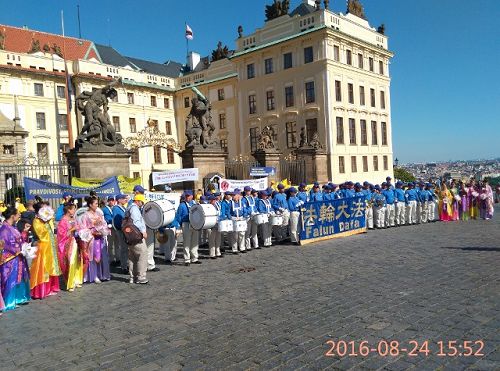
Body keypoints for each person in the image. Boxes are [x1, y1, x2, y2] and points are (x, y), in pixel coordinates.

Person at [0, 206, 31, 311]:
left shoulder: (12, 227)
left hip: (18, 257)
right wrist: (16, 250)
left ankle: (19, 298)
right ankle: (10, 301)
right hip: (11, 259)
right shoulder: (4, 229)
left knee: (20, 277)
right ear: (13, 216)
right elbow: (3, 245)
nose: (19, 216)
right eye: (18, 214)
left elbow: (19, 240)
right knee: (11, 279)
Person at [30, 203, 61, 299]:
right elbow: (41, 235)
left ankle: (52, 287)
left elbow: (52, 231)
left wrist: (48, 220)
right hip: (43, 247)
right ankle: (42, 290)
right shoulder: (36, 221)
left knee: (51, 266)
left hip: (50, 246)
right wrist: (45, 221)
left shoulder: (47, 220)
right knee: (43, 268)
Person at [79, 196, 111, 283]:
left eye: (97, 203)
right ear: (90, 205)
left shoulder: (99, 214)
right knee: (92, 257)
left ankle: (102, 274)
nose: (97, 205)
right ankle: (94, 275)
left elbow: (104, 224)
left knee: (101, 256)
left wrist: (104, 230)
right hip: (92, 239)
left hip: (100, 237)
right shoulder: (85, 216)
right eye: (95, 203)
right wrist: (91, 232)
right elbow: (82, 228)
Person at [56, 203, 83, 292]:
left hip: (75, 242)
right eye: (73, 209)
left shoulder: (73, 219)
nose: (74, 211)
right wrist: (73, 229)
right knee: (70, 262)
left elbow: (77, 228)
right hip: (67, 244)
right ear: (68, 210)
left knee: (76, 261)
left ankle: (76, 279)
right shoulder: (63, 221)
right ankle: (70, 282)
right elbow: (62, 235)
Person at [125, 194, 149, 284]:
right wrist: (143, 231)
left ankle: (133, 277)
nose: (142, 204)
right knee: (142, 254)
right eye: (142, 202)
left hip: (130, 236)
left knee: (132, 256)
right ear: (138, 201)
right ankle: (141, 277)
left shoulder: (129, 207)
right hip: (136, 236)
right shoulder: (134, 208)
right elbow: (136, 221)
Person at [174, 191, 200, 266]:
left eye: (189, 196)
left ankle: (194, 258)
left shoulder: (195, 204)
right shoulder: (182, 205)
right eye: (187, 196)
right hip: (186, 224)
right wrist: (178, 226)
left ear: (192, 196)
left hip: (194, 224)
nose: (188, 197)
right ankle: (187, 259)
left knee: (195, 242)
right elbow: (178, 216)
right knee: (187, 242)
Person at [112, 194, 129, 274]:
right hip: (121, 230)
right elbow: (117, 221)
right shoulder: (116, 208)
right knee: (123, 248)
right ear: (119, 200)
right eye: (123, 198)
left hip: (124, 230)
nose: (125, 200)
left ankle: (125, 264)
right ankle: (124, 266)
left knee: (125, 248)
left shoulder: (122, 207)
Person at [230, 188, 248, 254]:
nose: (233, 197)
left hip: (241, 219)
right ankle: (234, 249)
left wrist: (244, 216)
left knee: (242, 234)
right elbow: (229, 212)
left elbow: (245, 210)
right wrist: (232, 217)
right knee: (235, 235)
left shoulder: (242, 202)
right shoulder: (230, 203)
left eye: (234, 195)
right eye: (232, 195)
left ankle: (242, 247)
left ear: (238, 196)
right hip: (234, 219)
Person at [102, 196, 118, 266]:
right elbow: (103, 218)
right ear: (108, 201)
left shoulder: (115, 208)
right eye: (110, 200)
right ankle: (111, 259)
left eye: (112, 200)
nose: (111, 202)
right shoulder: (104, 209)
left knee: (117, 244)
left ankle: (118, 258)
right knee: (110, 245)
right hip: (109, 228)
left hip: (116, 228)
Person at [242, 186, 259, 251]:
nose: (249, 192)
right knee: (248, 232)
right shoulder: (243, 199)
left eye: (249, 191)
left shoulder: (252, 198)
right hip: (248, 216)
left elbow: (254, 206)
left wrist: (256, 211)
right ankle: (248, 246)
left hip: (254, 215)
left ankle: (256, 245)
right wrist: (250, 212)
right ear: (245, 191)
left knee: (255, 231)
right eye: (248, 191)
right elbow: (244, 208)